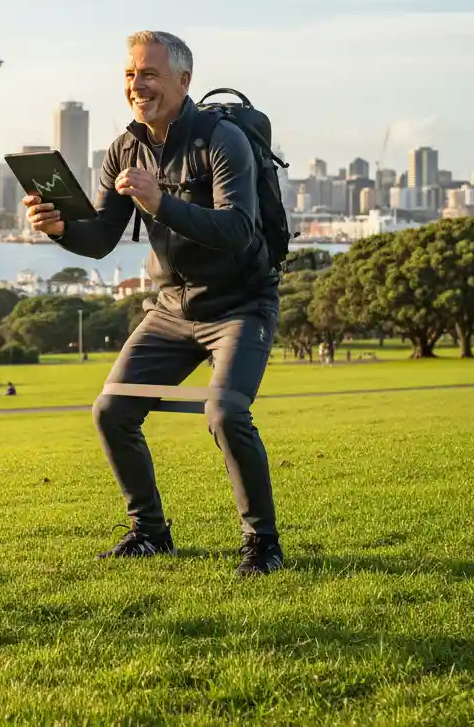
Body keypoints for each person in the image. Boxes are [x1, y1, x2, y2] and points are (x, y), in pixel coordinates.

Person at [24, 30, 283, 578]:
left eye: (149, 74)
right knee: (112, 409)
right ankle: (150, 534)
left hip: (239, 305)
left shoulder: (222, 141)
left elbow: (239, 228)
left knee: (226, 412)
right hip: (170, 310)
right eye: (129, 75)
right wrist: (59, 228)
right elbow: (99, 239)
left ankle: (262, 544)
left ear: (183, 82)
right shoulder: (124, 147)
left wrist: (160, 203)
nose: (137, 85)